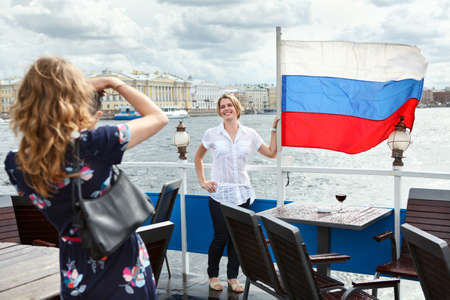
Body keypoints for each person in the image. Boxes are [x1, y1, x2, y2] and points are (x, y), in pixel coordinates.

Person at [4, 57, 168, 299]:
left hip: (75, 271)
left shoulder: (16, 164)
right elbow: (158, 117)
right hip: (123, 269)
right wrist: (114, 83)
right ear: (74, 97)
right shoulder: (94, 144)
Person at [194, 94, 280, 293]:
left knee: (236, 239)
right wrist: (202, 181)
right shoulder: (212, 133)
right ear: (219, 111)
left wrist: (275, 129)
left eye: (229, 105)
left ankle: (233, 277)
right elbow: (198, 158)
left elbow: (272, 153)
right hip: (219, 194)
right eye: (222, 106)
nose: (226, 109)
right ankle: (213, 275)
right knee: (221, 236)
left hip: (241, 193)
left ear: (236, 108)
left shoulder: (249, 134)